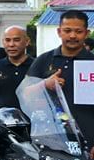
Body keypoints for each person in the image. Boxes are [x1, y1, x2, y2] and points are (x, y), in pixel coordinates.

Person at [28, 9, 94, 143]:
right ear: (59, 32)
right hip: (50, 138)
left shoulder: (91, 63)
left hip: (88, 138)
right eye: (67, 30)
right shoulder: (44, 60)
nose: (73, 36)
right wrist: (45, 84)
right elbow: (24, 94)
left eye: (78, 31)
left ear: (87, 33)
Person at [0, 26, 34, 110]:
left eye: (16, 40)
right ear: (3, 42)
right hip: (3, 120)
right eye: (7, 40)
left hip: (32, 119)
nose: (11, 44)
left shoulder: (37, 66)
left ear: (27, 41)